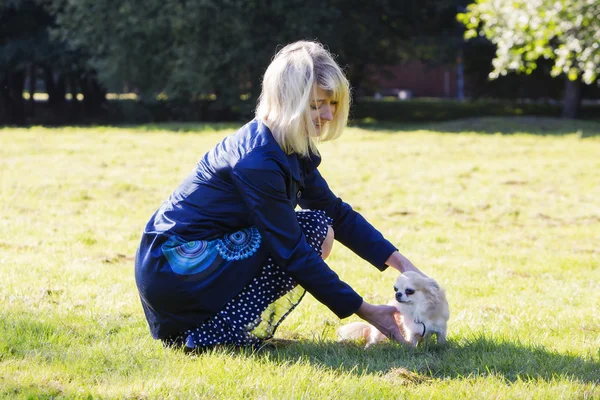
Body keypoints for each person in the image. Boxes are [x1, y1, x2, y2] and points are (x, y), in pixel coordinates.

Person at [134, 40, 424, 351]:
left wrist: (405, 266)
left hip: (186, 262)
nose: (327, 114)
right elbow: (292, 252)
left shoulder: (288, 144)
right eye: (315, 105)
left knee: (321, 225)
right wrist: (367, 311)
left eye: (334, 103)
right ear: (287, 101)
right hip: (175, 264)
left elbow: (335, 211)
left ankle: (213, 330)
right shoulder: (257, 161)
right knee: (313, 232)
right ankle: (212, 335)